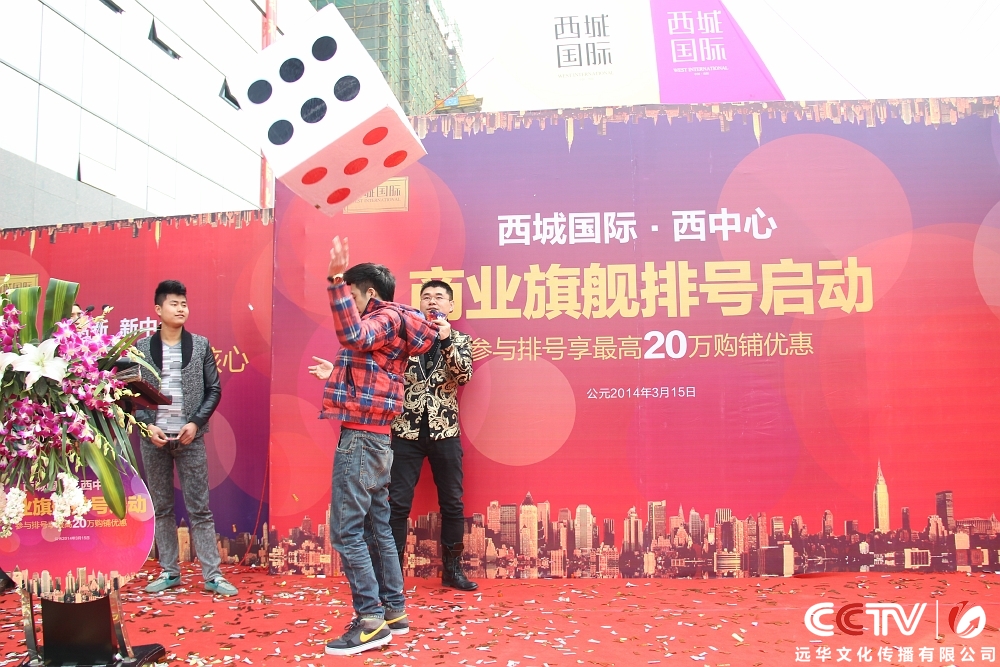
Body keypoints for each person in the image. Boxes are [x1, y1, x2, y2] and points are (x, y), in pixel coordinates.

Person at [307, 237, 436, 656]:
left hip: (361, 440)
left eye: (353, 295)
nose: (352, 302)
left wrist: (334, 280)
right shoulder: (397, 324)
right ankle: (393, 610)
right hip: (378, 440)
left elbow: (354, 335)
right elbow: (373, 373)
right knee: (376, 529)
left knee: (347, 532)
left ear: (370, 293)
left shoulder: (384, 317)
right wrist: (335, 372)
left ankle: (370, 620)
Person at [135, 280, 237, 597]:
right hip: (154, 440)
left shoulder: (201, 345)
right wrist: (146, 426)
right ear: (158, 309)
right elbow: (130, 393)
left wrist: (195, 423)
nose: (181, 309)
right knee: (162, 508)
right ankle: (169, 572)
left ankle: (213, 576)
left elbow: (213, 390)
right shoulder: (141, 348)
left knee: (200, 509)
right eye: (174, 304)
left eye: (184, 304)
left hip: (190, 439)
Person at [389, 280, 477, 590]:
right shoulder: (403, 339)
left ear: (450, 306)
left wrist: (446, 339)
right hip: (405, 431)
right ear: (419, 304)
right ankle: (392, 576)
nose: (432, 301)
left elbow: (463, 375)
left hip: (445, 431)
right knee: (397, 504)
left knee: (452, 503)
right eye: (426, 297)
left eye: (439, 297)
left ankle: (452, 570)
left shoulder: (460, 339)